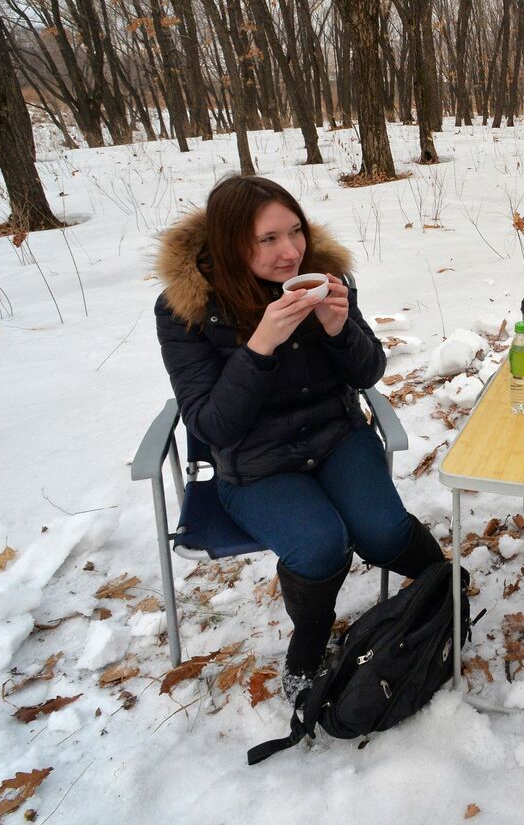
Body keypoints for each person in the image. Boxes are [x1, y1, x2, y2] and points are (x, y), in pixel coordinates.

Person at [154, 175, 443, 700]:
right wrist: (261, 344)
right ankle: (309, 649)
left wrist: (339, 329)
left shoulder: (325, 276)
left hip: (335, 438)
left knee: (381, 532)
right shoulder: (189, 308)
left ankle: (444, 586)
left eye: (296, 232)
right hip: (255, 464)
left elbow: (368, 371)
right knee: (320, 544)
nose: (290, 252)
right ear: (229, 243)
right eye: (268, 240)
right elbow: (212, 425)